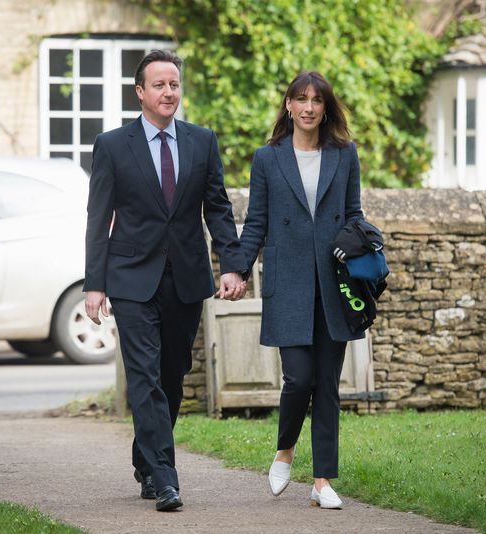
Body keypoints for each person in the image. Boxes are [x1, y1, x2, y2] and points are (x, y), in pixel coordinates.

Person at [83, 50, 247, 512]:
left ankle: (145, 460)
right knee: (143, 377)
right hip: (131, 278)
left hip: (186, 278)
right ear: (140, 93)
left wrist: (231, 265)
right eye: (158, 85)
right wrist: (95, 283)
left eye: (174, 84)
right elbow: (99, 217)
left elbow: (217, 208)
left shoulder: (202, 141)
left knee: (171, 376)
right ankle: (166, 476)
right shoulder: (113, 145)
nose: (168, 92)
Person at [240, 71, 365, 509]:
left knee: (327, 384)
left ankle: (322, 482)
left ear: (325, 108)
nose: (308, 107)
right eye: (300, 99)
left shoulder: (345, 155)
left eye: (316, 100)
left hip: (333, 284)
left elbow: (354, 214)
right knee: (299, 378)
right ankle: (284, 450)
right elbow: (256, 222)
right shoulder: (267, 158)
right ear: (288, 105)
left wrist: (363, 249)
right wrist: (237, 270)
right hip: (288, 282)